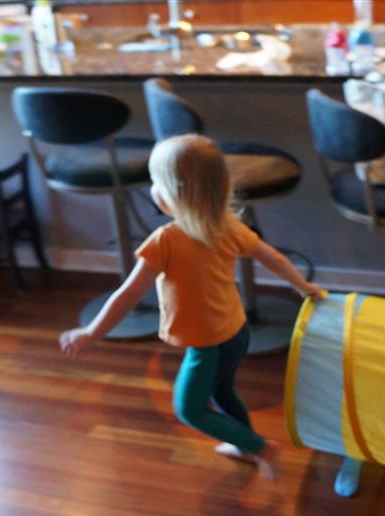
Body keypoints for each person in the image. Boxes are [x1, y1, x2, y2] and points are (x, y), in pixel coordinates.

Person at [59, 134, 323, 478]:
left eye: (156, 182)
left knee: (189, 409)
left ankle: (259, 447)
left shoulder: (165, 241)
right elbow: (272, 256)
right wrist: (302, 286)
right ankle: (244, 445)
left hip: (206, 345)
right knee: (222, 389)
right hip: (236, 331)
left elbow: (128, 295)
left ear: (170, 197)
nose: (153, 189)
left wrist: (91, 332)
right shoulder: (229, 226)